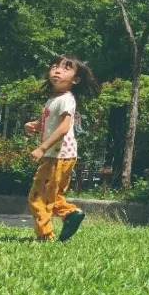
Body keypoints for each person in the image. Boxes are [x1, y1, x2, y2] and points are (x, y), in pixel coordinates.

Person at [24, 54, 100, 242]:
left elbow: (65, 126)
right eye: (54, 66)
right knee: (52, 195)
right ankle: (71, 214)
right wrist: (35, 125)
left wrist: (42, 148)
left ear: (75, 80)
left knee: (38, 197)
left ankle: (45, 236)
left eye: (66, 68)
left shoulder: (66, 99)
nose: (57, 70)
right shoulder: (55, 98)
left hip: (56, 156)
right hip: (60, 155)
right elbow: (53, 123)